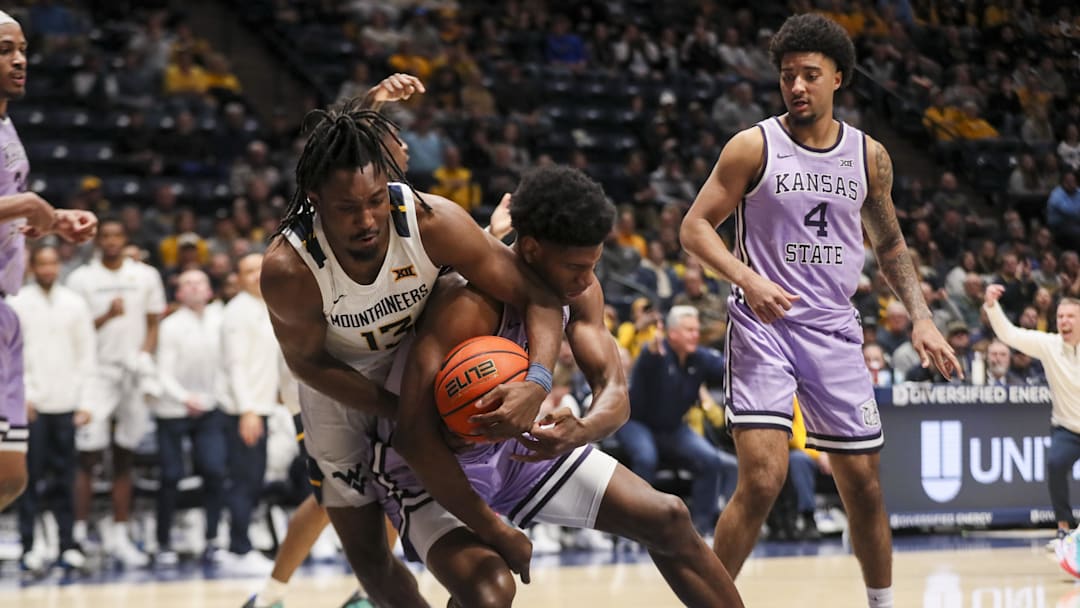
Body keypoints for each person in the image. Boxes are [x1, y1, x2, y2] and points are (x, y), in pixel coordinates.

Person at [680, 15, 959, 608]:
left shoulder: (869, 156)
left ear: (838, 78)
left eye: (810, 74)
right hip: (764, 326)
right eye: (788, 76)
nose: (797, 86)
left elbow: (890, 245)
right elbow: (694, 227)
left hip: (833, 329)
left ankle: (882, 603)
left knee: (863, 486)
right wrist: (746, 278)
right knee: (763, 478)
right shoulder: (753, 146)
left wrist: (922, 316)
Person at [387, 166, 744, 607]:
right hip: (435, 468)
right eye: (575, 267)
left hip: (520, 452)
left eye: (593, 264)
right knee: (488, 593)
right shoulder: (467, 304)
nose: (586, 279)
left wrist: (583, 429)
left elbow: (615, 392)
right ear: (531, 249)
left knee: (668, 517)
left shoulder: (582, 292)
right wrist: (496, 529)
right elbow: (413, 437)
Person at [258, 96, 565, 605]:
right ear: (315, 198)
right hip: (338, 388)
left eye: (376, 200)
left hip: (419, 365)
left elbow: (539, 294)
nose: (366, 219)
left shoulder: (432, 220)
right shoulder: (288, 268)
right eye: (347, 208)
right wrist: (402, 411)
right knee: (369, 556)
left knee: (474, 570)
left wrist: (537, 379)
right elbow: (307, 362)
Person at [245, 73, 429, 608]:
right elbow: (337, 138)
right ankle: (271, 594)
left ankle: (365, 591)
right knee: (332, 494)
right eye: (393, 138)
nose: (404, 146)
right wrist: (372, 102)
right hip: (326, 375)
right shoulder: (333, 206)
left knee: (394, 476)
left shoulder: (404, 209)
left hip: (377, 365)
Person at [0, 8, 97, 514]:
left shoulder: (6, 126)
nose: (19, 61)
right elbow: (14, 204)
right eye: (4, 51)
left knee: (10, 477)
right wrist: (26, 205)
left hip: (5, 310)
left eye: (22, 50)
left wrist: (53, 219)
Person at [67, 218, 164, 568]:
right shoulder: (81, 279)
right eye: (105, 236)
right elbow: (76, 330)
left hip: (132, 372)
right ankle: (77, 535)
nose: (110, 241)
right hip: (95, 373)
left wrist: (144, 355)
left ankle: (120, 535)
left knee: (125, 455)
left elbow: (153, 323)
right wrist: (107, 315)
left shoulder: (145, 275)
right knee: (87, 456)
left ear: (125, 239)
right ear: (97, 242)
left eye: (116, 235)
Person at [615, 305, 738, 536]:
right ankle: (636, 527)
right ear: (672, 333)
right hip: (637, 423)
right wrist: (650, 351)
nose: (695, 335)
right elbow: (647, 359)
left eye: (696, 330)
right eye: (689, 330)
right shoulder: (654, 352)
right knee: (646, 458)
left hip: (672, 428)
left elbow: (730, 368)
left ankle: (701, 529)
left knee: (710, 460)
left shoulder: (699, 358)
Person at [9, 246, 95, 572]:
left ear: (59, 266)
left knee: (65, 478)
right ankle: (29, 546)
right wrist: (19, 398)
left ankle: (67, 545)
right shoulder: (18, 304)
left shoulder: (75, 303)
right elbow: (9, 359)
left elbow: (87, 355)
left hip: (66, 403)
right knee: (28, 479)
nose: (47, 269)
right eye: (41, 264)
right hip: (30, 405)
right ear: (32, 267)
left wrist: (86, 401)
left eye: (52, 263)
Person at [984, 285, 1079, 544]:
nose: (1064, 321)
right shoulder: (1049, 345)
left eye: (1071, 316)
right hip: (1066, 428)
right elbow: (1009, 334)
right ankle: (1064, 526)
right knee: (1055, 464)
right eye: (1060, 316)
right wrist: (992, 307)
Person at [152, 270, 227, 567]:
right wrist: (185, 398)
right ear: (179, 293)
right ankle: (163, 542)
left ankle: (212, 539)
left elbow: (227, 366)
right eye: (188, 284)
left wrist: (213, 398)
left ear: (209, 291)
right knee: (170, 476)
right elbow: (163, 372)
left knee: (214, 471)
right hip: (173, 409)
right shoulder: (169, 326)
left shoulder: (221, 321)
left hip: (210, 407)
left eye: (200, 282)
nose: (195, 287)